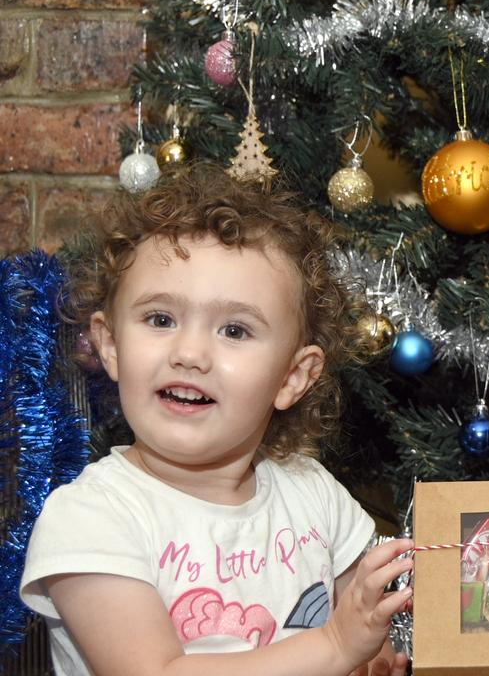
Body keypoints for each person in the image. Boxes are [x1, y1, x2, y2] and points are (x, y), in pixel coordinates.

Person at [20, 162, 414, 676]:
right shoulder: (92, 518)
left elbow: (367, 630)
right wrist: (338, 645)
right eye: (160, 319)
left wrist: (374, 657)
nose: (189, 353)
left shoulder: (313, 492)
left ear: (293, 377)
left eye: (234, 330)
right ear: (111, 345)